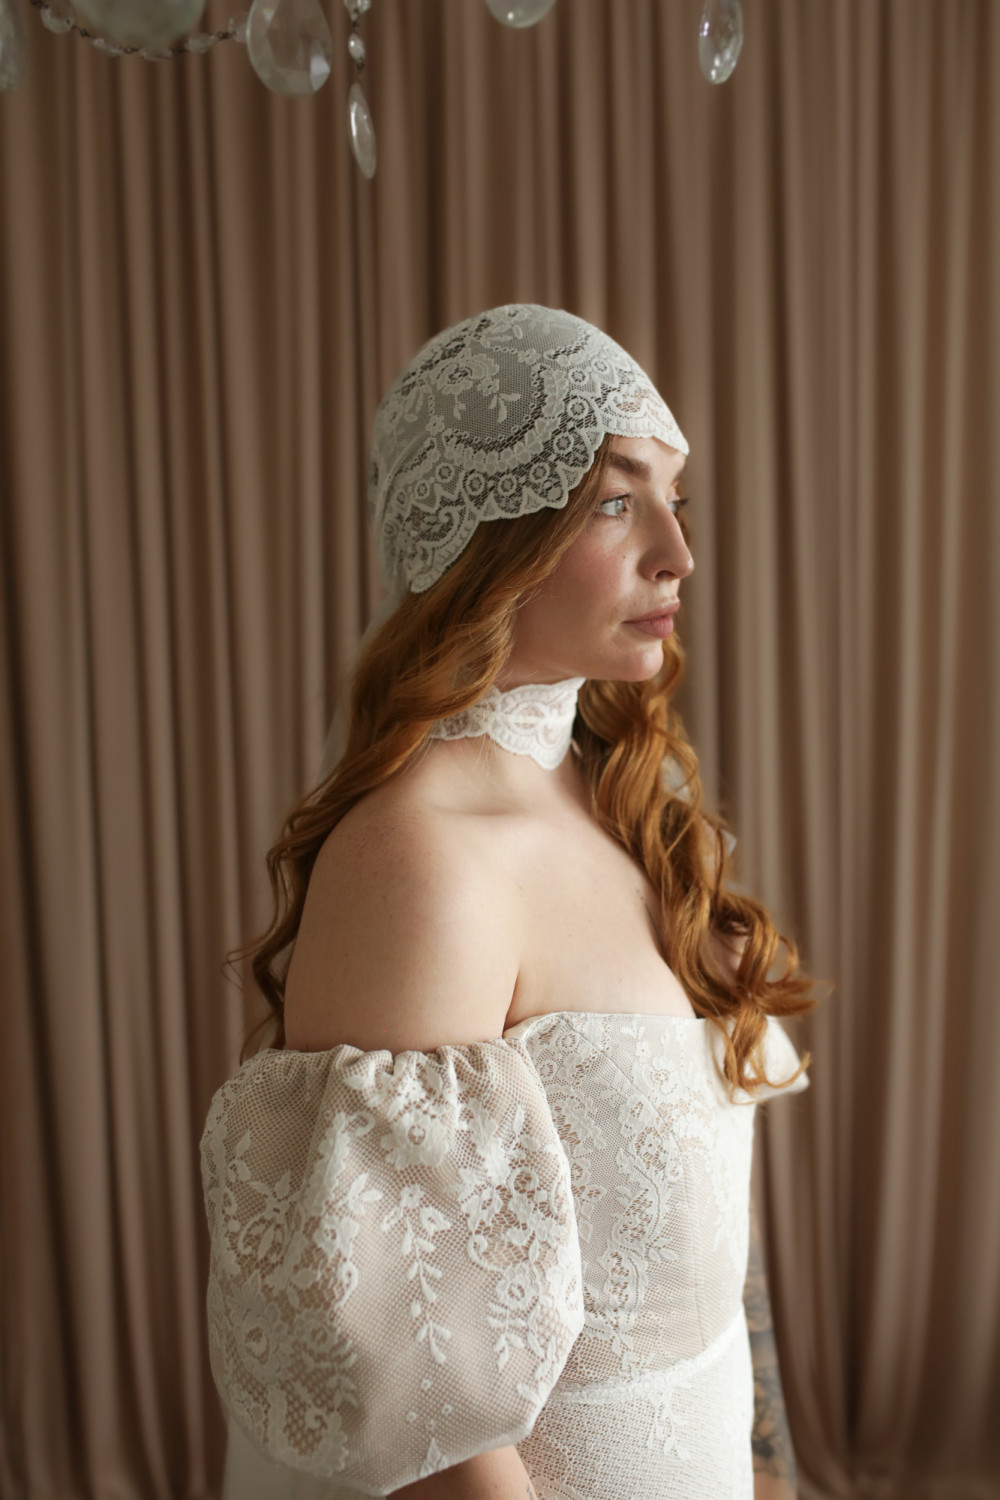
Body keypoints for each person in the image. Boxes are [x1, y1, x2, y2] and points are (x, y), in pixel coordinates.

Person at [200, 304, 817, 1500]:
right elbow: (415, 1415)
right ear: (489, 538)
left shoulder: (629, 799)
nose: (677, 555)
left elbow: (706, 1269)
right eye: (614, 502)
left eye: (675, 498)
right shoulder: (422, 863)